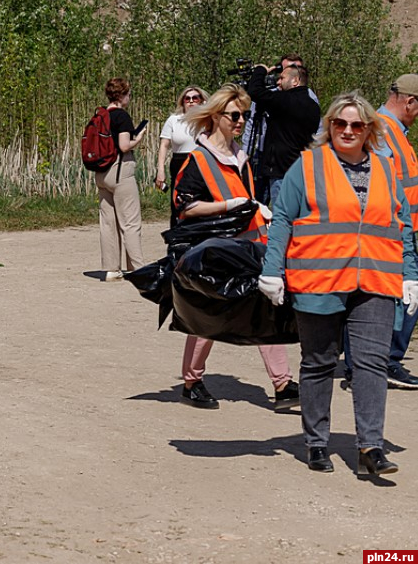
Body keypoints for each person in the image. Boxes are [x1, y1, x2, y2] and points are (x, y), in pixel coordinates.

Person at [260, 92, 418, 475]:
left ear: (369, 129)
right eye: (340, 123)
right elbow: (282, 218)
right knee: (318, 362)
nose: (347, 130)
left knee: (371, 364)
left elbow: (403, 227)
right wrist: (272, 268)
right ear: (329, 126)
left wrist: (410, 275)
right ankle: (316, 442)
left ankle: (371, 447)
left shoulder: (384, 169)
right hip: (320, 280)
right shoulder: (308, 165)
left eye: (357, 125)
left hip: (376, 280)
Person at [170, 83, 298, 410]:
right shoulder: (198, 159)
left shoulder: (240, 156)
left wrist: (256, 208)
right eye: (234, 115)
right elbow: (184, 206)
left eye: (244, 115)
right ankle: (191, 380)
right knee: (209, 316)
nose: (240, 121)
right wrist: (229, 205)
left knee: (266, 306)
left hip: (250, 245)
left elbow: (247, 200)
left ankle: (282, 384)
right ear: (216, 117)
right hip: (215, 253)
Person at [343, 75, 418, 391]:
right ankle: (382, 360)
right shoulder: (384, 131)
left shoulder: (389, 129)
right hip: (392, 228)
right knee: (393, 294)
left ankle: (369, 361)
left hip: (397, 226)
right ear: (410, 101)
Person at [245, 56, 320, 206]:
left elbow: (254, 91)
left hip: (279, 171)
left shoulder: (285, 101)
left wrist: (261, 70)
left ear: (295, 81)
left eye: (282, 78)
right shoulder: (313, 106)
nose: (278, 82)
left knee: (281, 215)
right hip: (299, 169)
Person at [95, 77, 147, 281]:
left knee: (107, 223)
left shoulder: (101, 115)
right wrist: (138, 139)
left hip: (101, 173)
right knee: (131, 222)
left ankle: (111, 269)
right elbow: (124, 145)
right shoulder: (121, 116)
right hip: (120, 171)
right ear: (122, 95)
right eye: (129, 94)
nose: (129, 98)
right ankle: (138, 268)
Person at [155, 86, 206, 223]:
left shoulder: (207, 119)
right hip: (179, 162)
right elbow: (164, 145)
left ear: (201, 100)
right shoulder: (174, 120)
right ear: (182, 101)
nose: (191, 101)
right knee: (178, 203)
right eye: (187, 98)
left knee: (200, 202)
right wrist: (160, 170)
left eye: (195, 98)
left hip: (201, 163)